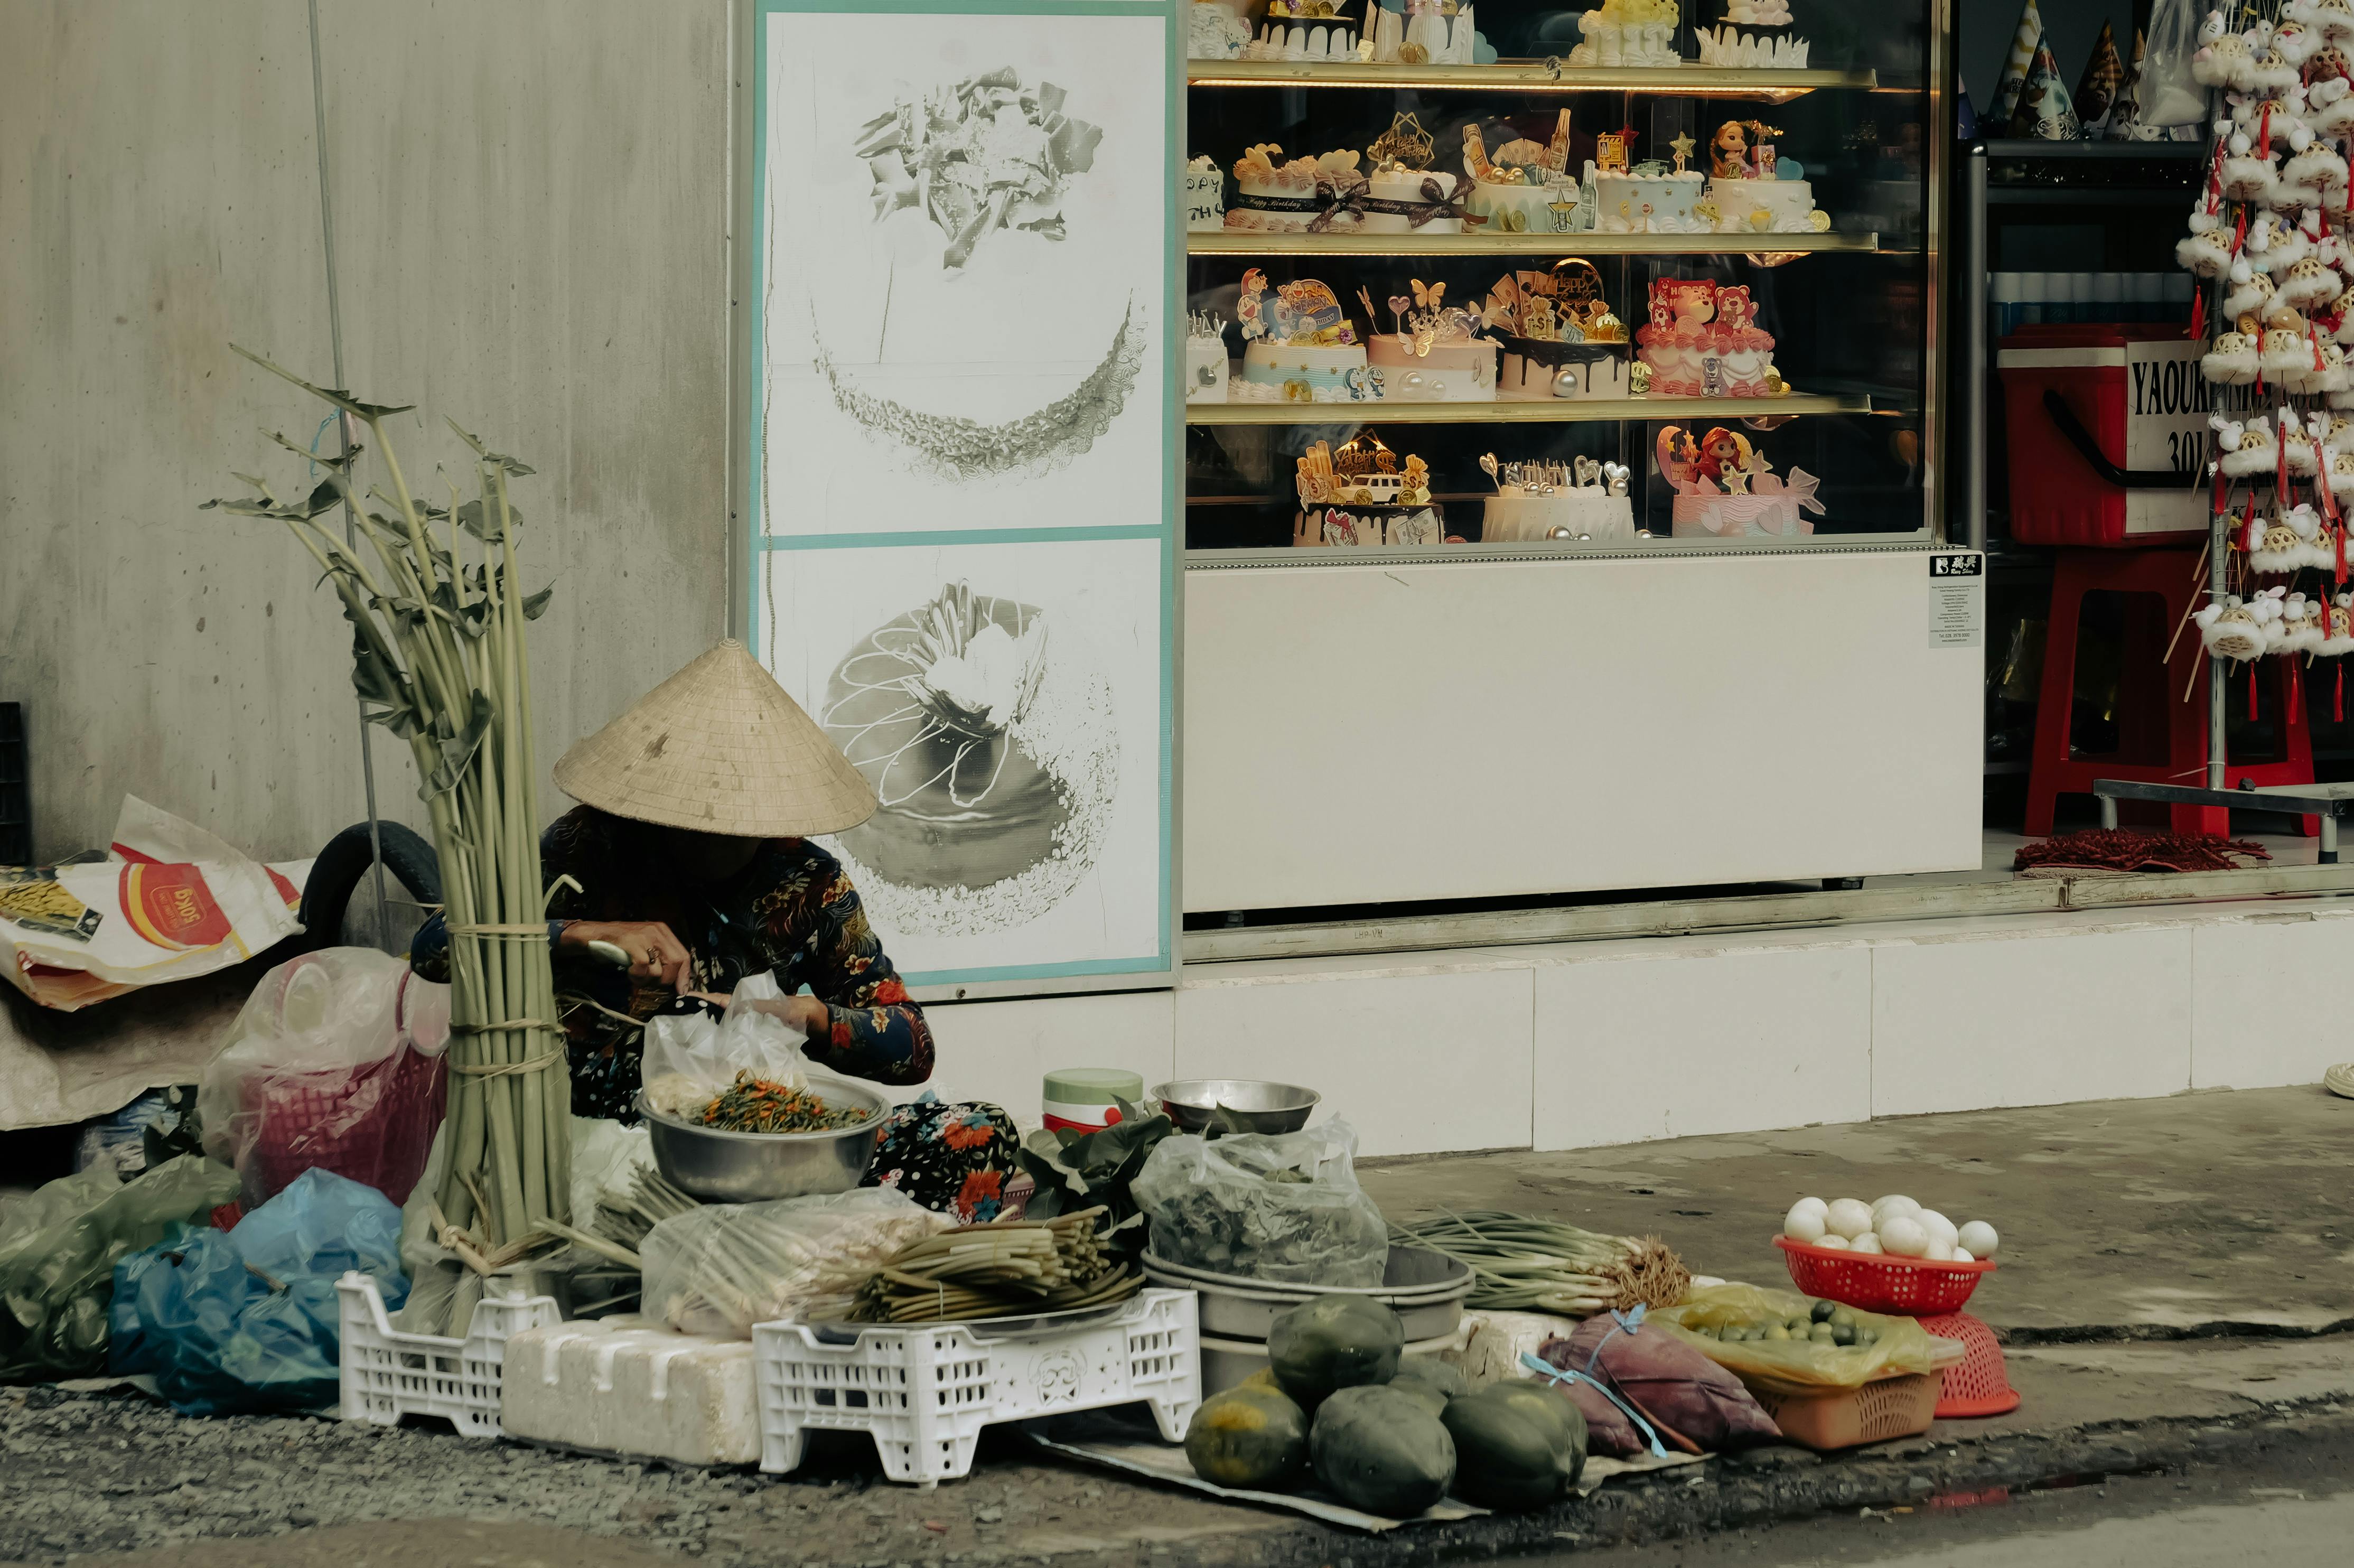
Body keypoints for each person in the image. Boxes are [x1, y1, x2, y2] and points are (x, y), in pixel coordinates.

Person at [412, 639, 933, 1122]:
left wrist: (802, 1015)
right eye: (693, 820)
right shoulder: (592, 845)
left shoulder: (808, 880)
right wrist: (586, 934)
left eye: (736, 826)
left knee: (979, 1131)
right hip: (587, 1121)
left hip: (740, 1123)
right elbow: (435, 946)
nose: (711, 837)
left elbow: (913, 1047)